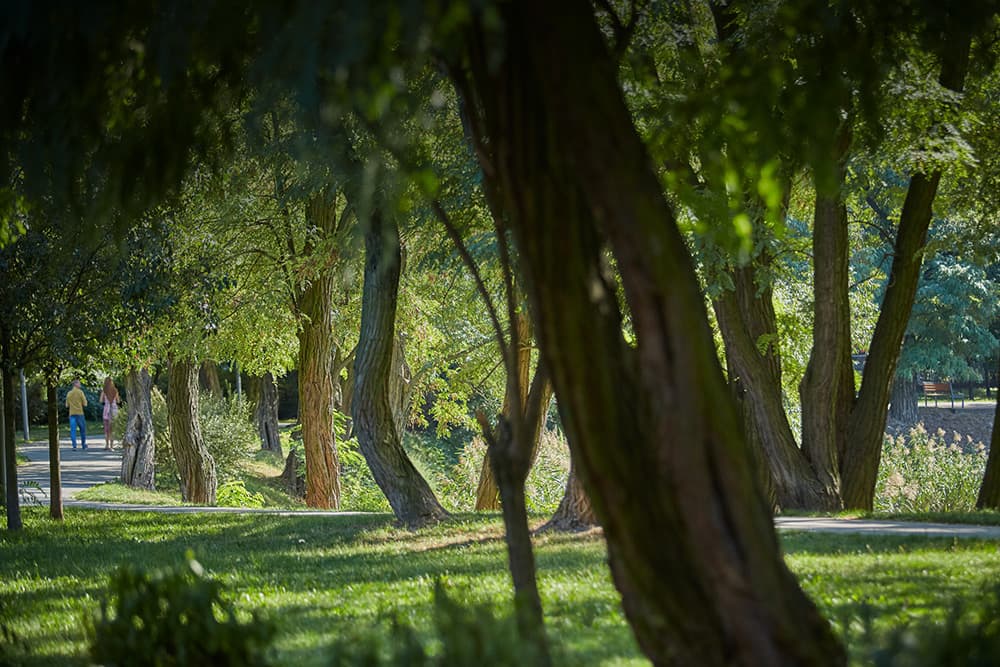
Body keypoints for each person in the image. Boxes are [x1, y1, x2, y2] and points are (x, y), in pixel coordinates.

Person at [98, 377, 120, 450]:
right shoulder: (115, 390)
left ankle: (107, 445)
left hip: (106, 410)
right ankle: (112, 446)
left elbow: (101, 400)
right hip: (114, 410)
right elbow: (118, 401)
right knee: (112, 428)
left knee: (106, 429)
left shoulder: (104, 391)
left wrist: (105, 400)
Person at [66, 379, 88, 450]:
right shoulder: (80, 392)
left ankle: (74, 445)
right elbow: (85, 404)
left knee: (73, 430)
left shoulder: (69, 393)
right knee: (82, 430)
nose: (80, 385)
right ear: (75, 384)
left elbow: (67, 405)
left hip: (72, 414)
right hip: (80, 413)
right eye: (79, 383)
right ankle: (83, 445)